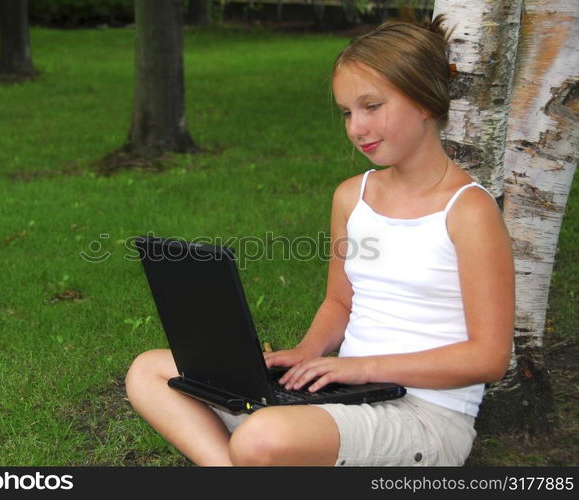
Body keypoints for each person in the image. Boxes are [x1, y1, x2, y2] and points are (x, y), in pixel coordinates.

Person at [124, 15, 515, 466]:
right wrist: (305, 355)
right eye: (348, 112)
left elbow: (489, 358)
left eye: (372, 106)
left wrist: (362, 367)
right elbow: (339, 303)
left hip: (425, 413)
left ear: (424, 101)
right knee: (148, 370)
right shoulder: (352, 197)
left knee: (260, 438)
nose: (356, 128)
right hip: (346, 394)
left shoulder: (468, 211)